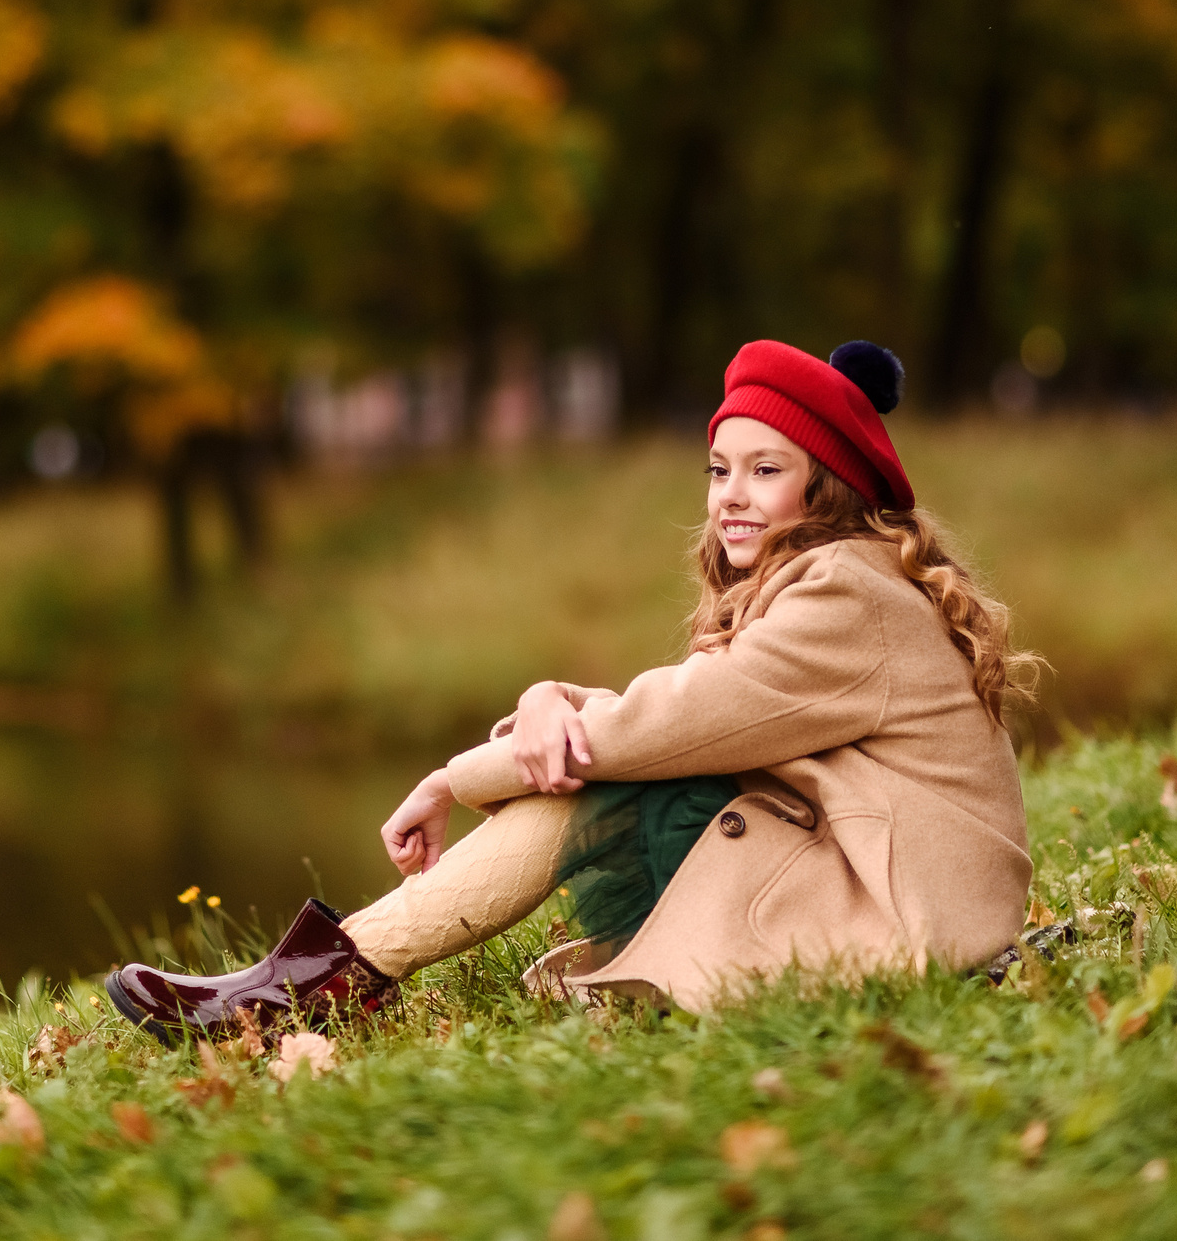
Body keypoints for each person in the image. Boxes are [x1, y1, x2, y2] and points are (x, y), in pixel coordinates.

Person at [104, 338, 1039, 1040]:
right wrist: (552, 694)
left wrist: (449, 779)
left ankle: (309, 985)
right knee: (598, 761)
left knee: (594, 777)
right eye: (720, 468)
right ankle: (316, 979)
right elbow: (696, 710)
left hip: (910, 915)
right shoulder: (831, 581)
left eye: (766, 470)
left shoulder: (844, 590)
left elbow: (658, 729)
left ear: (825, 490)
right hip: (882, 880)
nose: (732, 495)